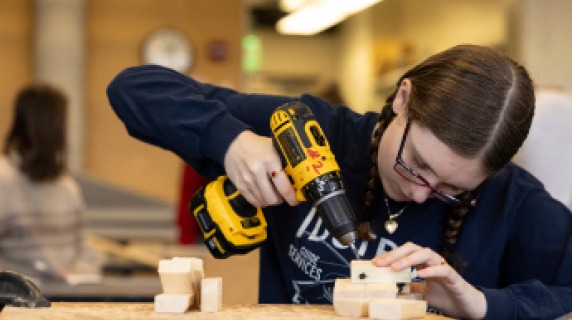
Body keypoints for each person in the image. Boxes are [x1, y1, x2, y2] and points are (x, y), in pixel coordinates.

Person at [107, 44, 572, 319]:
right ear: (403, 99)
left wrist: (484, 305)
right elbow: (133, 88)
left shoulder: (514, 202)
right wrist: (232, 143)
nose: (418, 192)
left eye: (451, 189)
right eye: (415, 164)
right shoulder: (315, 134)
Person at [0, 83, 101, 283]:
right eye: (65, 121)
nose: (68, 129)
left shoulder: (66, 186)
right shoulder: (3, 178)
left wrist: (77, 273)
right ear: (49, 125)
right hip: (17, 300)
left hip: (67, 293)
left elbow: (82, 247)